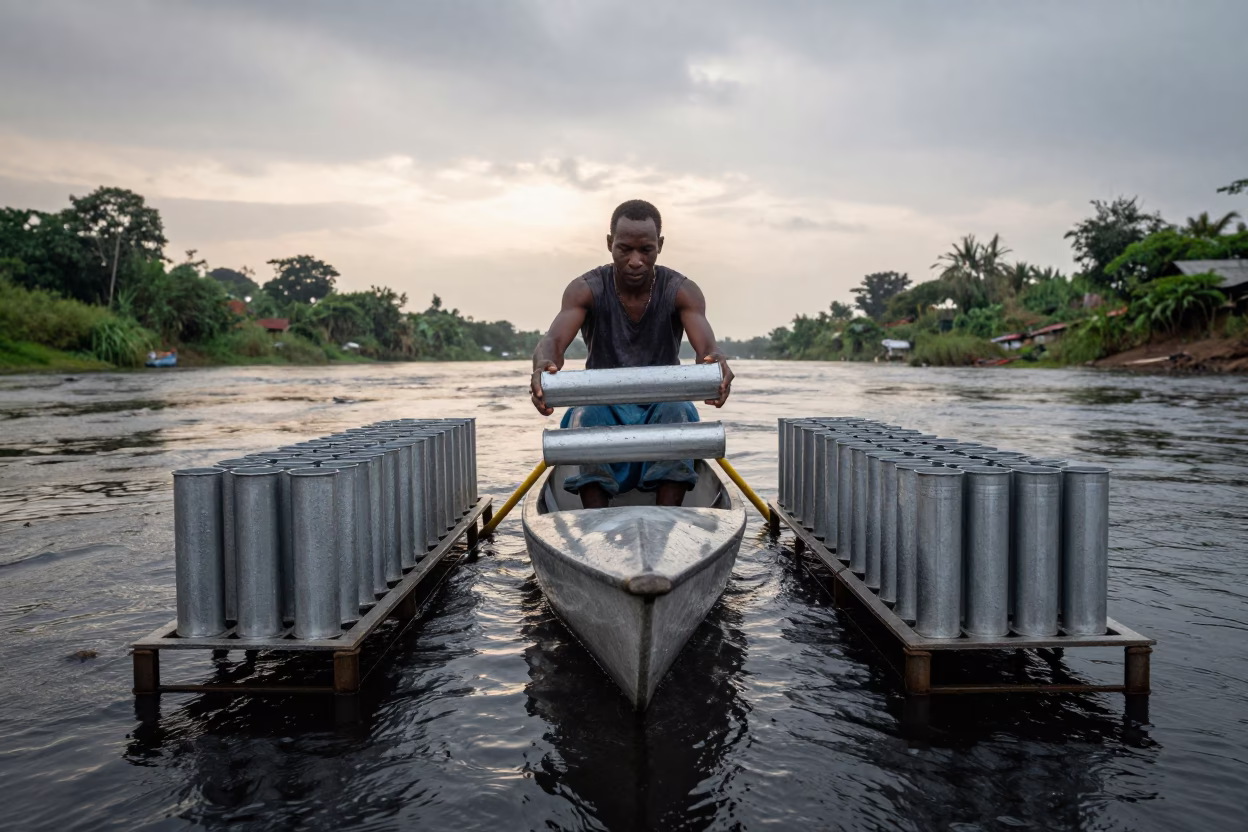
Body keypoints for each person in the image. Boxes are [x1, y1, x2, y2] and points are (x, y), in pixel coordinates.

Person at [530, 199, 734, 508]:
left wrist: (717, 366)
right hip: (603, 407)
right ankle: (594, 518)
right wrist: (542, 366)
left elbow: (707, 350)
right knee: (585, 417)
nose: (636, 261)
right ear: (610, 244)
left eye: (646, 250)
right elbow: (551, 342)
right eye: (625, 249)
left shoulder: (682, 291)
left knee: (679, 412)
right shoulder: (585, 289)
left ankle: (668, 518)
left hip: (662, 409)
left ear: (659, 246)